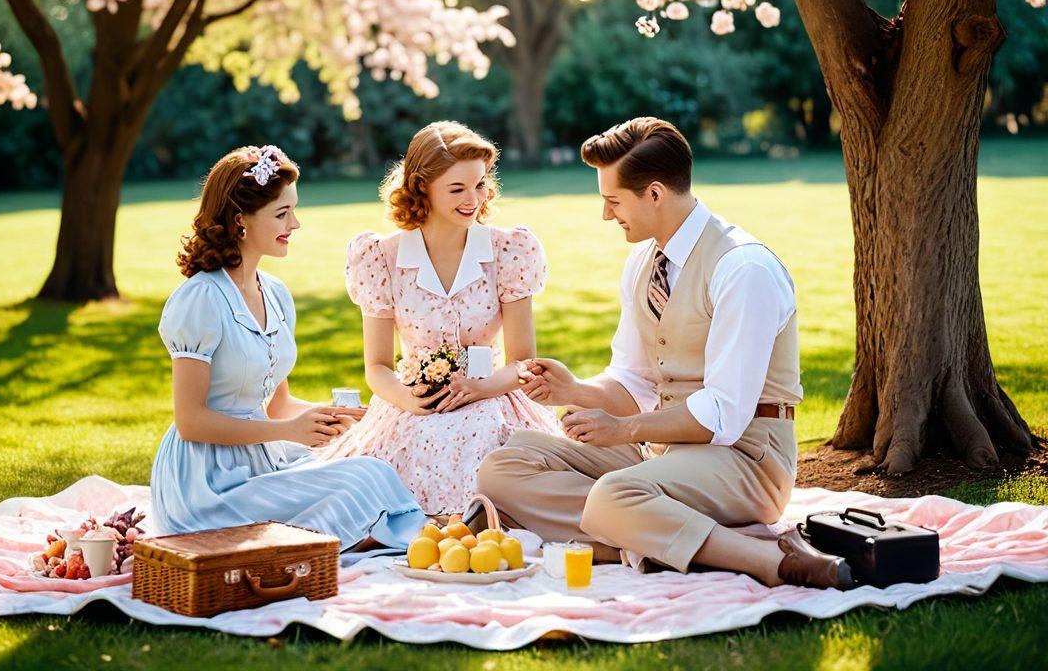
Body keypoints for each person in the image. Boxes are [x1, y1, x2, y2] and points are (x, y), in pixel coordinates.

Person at [477, 117, 855, 589]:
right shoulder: (642, 264)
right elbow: (634, 382)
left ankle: (765, 560)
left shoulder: (743, 267)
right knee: (502, 467)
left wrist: (622, 430)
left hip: (747, 460)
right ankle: (649, 538)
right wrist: (574, 390)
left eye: (613, 201)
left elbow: (723, 415)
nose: (606, 215)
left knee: (612, 496)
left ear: (654, 193)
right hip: (662, 454)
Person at [150, 144, 426, 549]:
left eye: (293, 210)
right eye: (282, 213)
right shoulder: (200, 299)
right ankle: (393, 540)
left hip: (261, 458)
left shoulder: (276, 295)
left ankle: (375, 539)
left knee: (371, 466)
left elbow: (280, 404)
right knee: (364, 477)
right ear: (240, 220)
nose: (294, 224)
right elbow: (191, 421)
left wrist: (331, 417)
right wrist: (287, 431)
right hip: (205, 482)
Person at [316, 121, 561, 515]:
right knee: (366, 505)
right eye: (457, 188)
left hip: (492, 396)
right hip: (412, 404)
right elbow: (377, 367)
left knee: (493, 466)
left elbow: (524, 362)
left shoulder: (508, 250)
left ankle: (477, 521)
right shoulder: (382, 257)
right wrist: (407, 400)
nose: (474, 199)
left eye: (480, 185)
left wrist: (480, 389)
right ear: (421, 188)